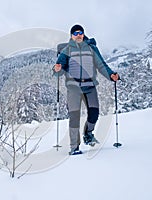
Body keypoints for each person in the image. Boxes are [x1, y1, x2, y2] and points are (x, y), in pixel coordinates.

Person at [53, 24, 119, 155]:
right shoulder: (66, 50)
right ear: (71, 36)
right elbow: (58, 70)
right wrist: (57, 70)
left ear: (83, 34)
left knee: (94, 113)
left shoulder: (91, 48)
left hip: (90, 86)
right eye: (75, 33)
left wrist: (111, 75)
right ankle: (74, 147)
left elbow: (101, 65)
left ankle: (88, 134)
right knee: (74, 117)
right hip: (73, 88)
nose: (78, 35)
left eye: (80, 32)